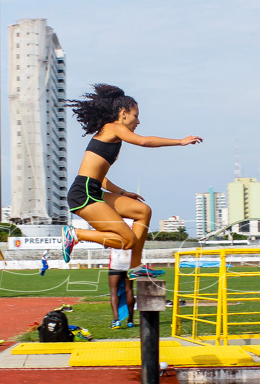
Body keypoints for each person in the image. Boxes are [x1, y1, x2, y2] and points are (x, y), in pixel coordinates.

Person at [61, 84, 202, 278]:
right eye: (136, 115)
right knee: (126, 240)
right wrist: (180, 141)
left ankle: (136, 266)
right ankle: (76, 234)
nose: (138, 121)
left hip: (93, 190)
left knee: (143, 211)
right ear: (123, 113)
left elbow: (101, 179)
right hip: (83, 194)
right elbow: (144, 141)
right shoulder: (113, 128)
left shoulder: (113, 136)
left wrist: (123, 193)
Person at [108, 247, 135, 329]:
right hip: (130, 261)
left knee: (114, 291)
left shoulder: (114, 234)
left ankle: (116, 320)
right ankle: (130, 321)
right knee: (129, 290)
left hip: (116, 261)